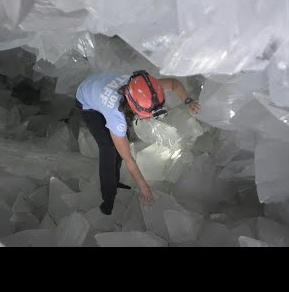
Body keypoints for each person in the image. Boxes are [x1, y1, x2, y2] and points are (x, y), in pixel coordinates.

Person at [75, 70, 201, 215]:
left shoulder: (146, 90)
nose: (150, 118)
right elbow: (129, 159)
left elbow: (174, 84)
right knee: (108, 149)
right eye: (147, 115)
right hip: (86, 100)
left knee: (123, 139)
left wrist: (189, 102)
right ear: (133, 107)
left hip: (98, 84)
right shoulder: (117, 118)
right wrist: (144, 188)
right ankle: (108, 199)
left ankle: (116, 182)